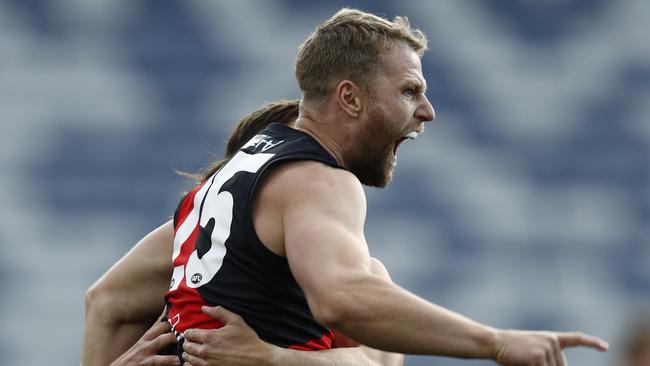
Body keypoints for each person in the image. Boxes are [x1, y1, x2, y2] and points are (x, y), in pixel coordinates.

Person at [86, 8, 609, 366]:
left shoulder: (219, 189)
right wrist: (497, 343)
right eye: (410, 91)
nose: (427, 111)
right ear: (350, 99)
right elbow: (344, 300)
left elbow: (106, 300)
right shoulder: (316, 181)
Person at [83, 99, 401, 366]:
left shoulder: (349, 266)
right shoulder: (206, 225)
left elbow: (378, 360)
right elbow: (106, 300)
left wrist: (272, 357)